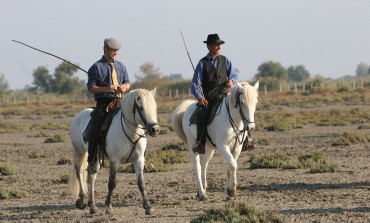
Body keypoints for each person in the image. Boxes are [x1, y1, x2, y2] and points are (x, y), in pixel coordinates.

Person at [86, 38, 130, 174]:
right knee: (95, 128)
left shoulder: (121, 66)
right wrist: (107, 89)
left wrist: (124, 87)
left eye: (117, 50)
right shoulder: (96, 67)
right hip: (104, 103)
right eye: (113, 50)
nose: (115, 52)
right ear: (105, 49)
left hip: (120, 102)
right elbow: (91, 88)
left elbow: (127, 82)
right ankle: (92, 161)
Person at [191, 34, 238, 154]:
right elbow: (195, 83)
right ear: (209, 46)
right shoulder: (202, 63)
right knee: (202, 114)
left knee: (241, 108)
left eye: (219, 45)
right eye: (216, 45)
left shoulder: (225, 60)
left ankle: (247, 139)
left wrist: (231, 80)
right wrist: (199, 97)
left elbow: (234, 75)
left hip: (225, 95)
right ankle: (200, 143)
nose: (219, 47)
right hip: (209, 98)